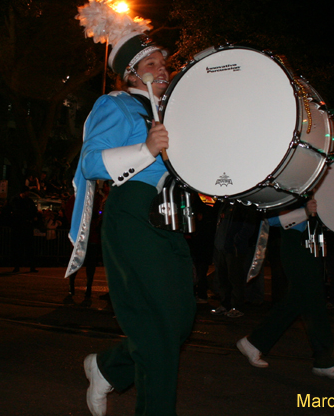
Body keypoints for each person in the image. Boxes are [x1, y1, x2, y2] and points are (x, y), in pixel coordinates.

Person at [69, 32, 195, 416]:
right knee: (157, 330)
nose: (163, 69)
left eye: (164, 62)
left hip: (172, 219)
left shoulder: (176, 113)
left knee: (180, 321)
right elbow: (90, 162)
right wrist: (146, 149)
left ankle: (107, 367)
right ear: (131, 75)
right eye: (152, 64)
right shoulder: (117, 105)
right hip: (134, 214)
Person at [235, 199, 334, 379]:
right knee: (312, 302)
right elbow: (268, 219)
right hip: (296, 244)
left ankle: (254, 343)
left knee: (299, 300)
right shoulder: (292, 182)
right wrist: (304, 212)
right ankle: (323, 360)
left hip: (311, 244)